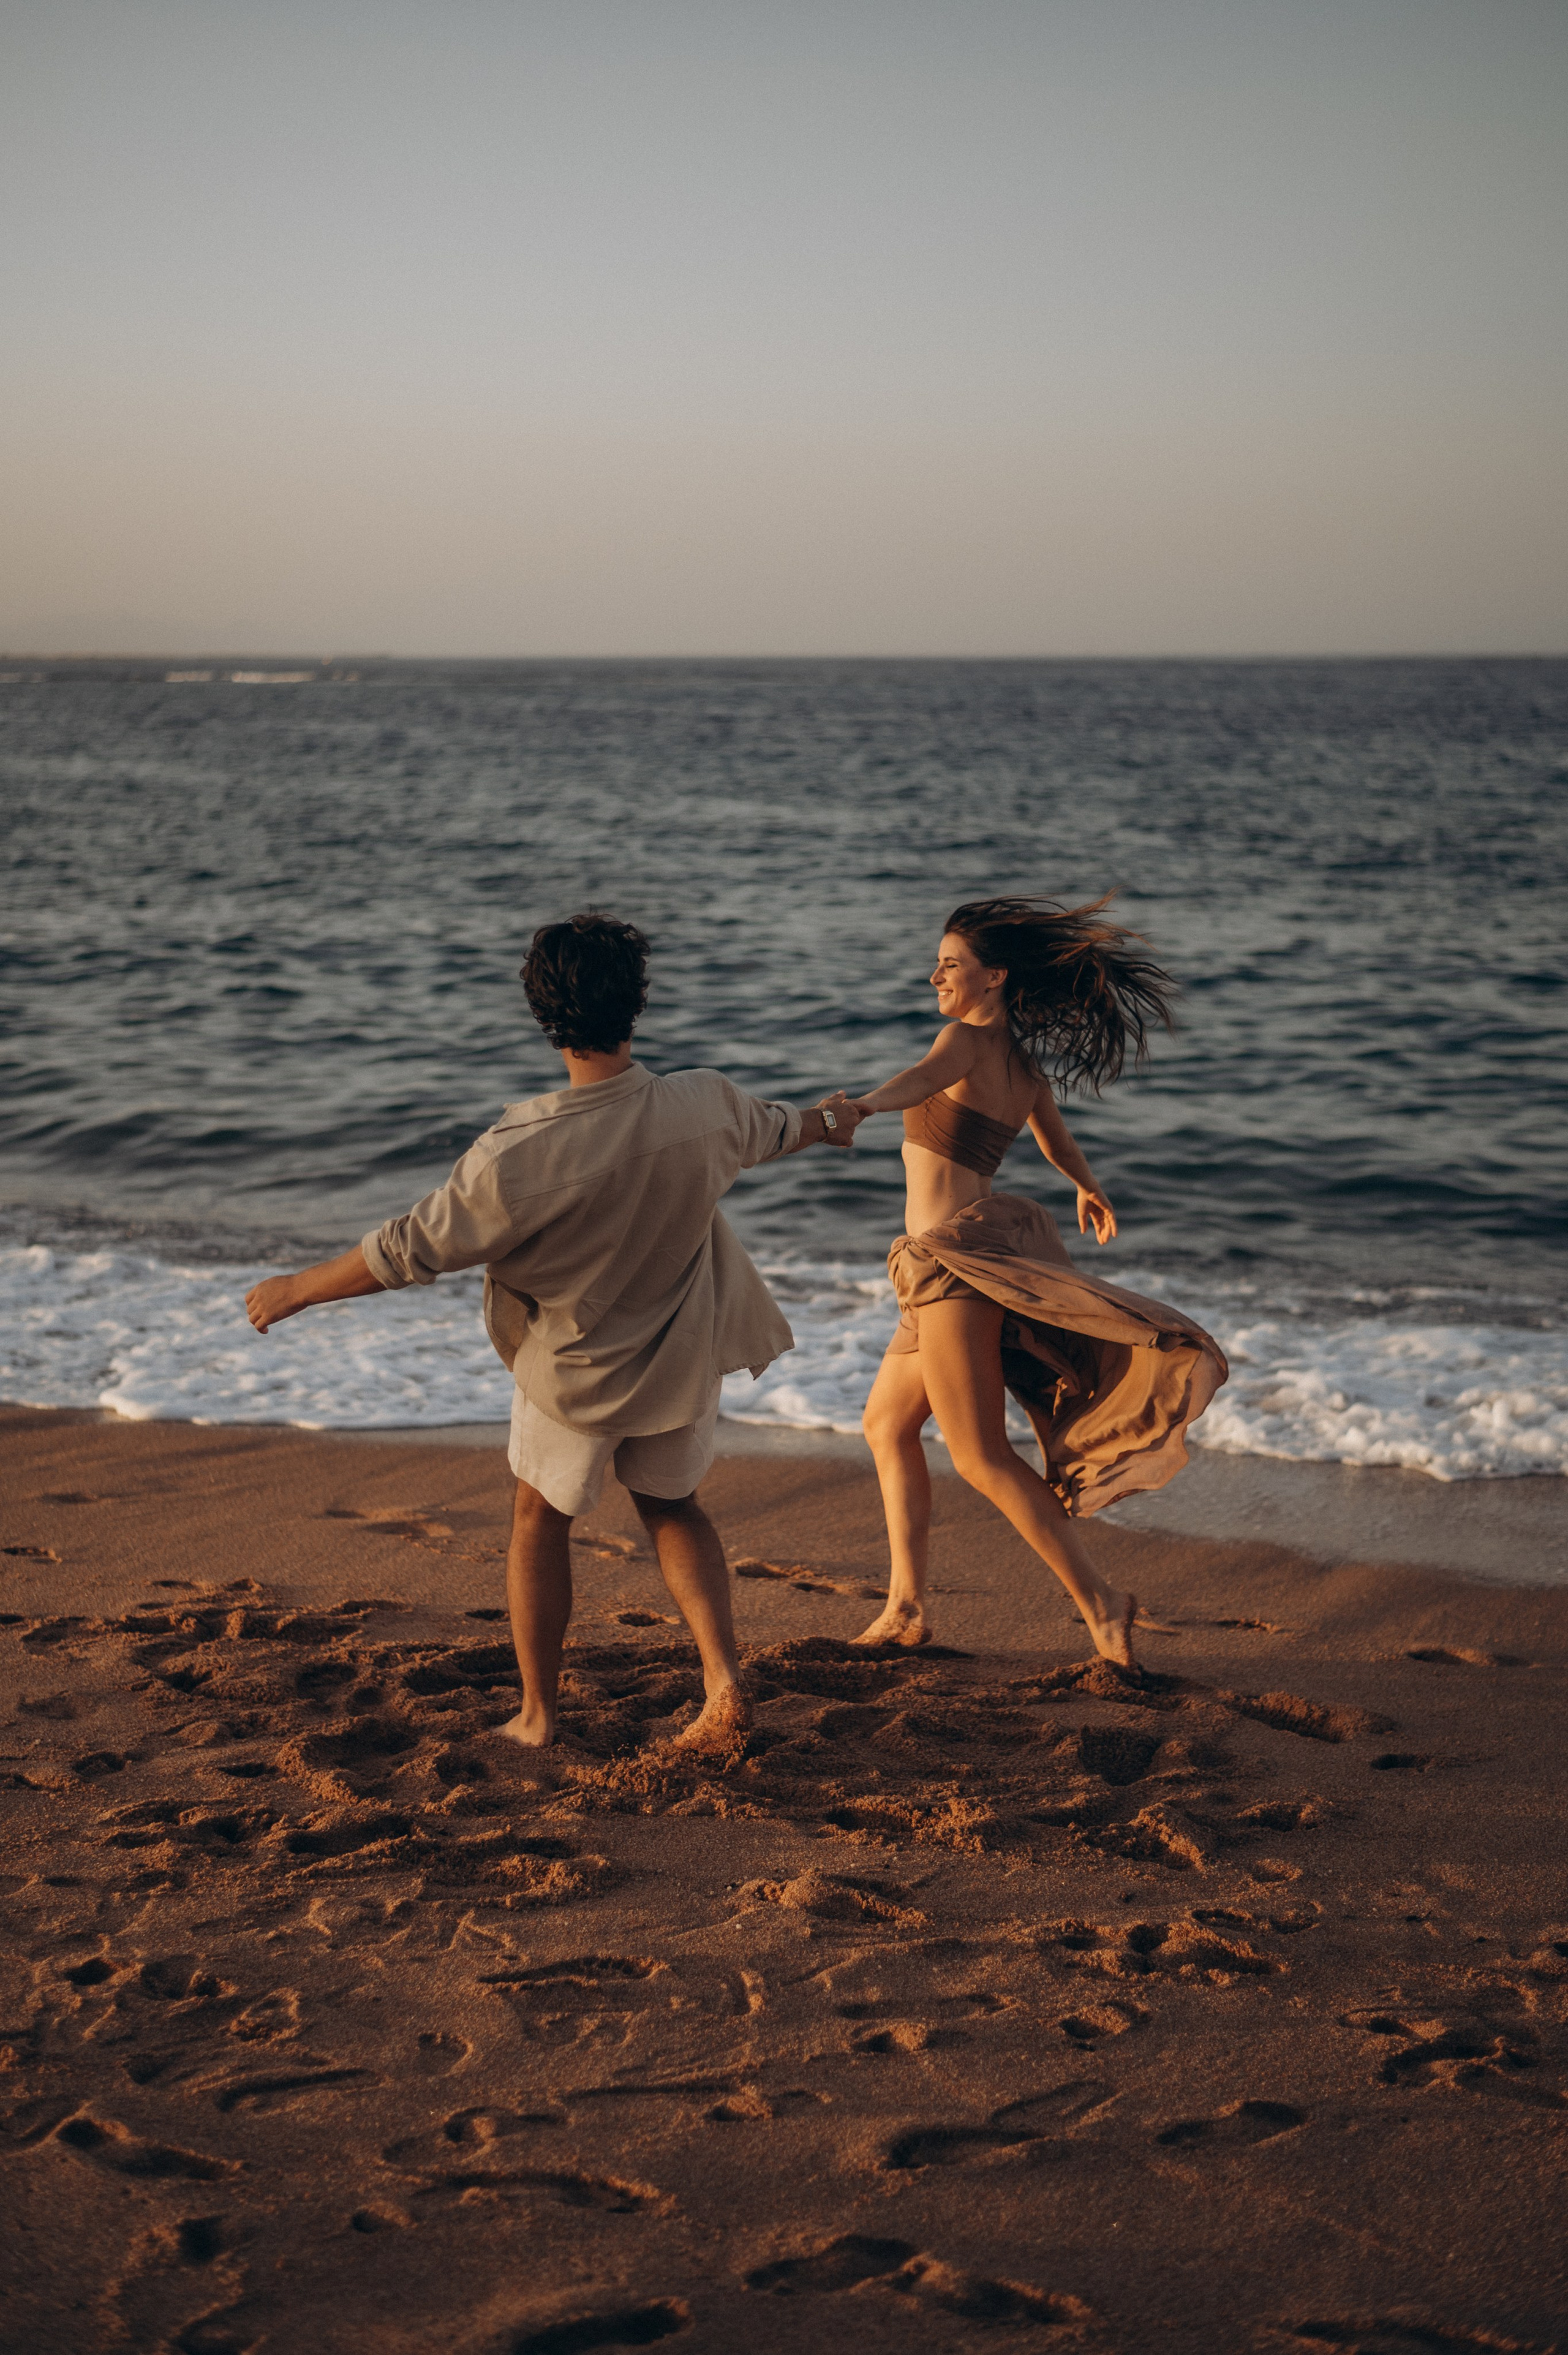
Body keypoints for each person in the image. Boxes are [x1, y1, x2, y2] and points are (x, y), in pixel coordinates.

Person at [245, 912, 862, 1751]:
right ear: (636, 1005)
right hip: (681, 1354)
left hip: (574, 1370)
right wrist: (835, 1120)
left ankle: (538, 1716)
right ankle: (722, 1682)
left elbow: (410, 1249)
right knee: (673, 1505)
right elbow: (786, 1128)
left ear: (544, 1013)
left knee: (538, 1518)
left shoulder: (518, 1151)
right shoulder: (705, 1104)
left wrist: (297, 1289)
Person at [832, 896, 1226, 1673]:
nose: (935, 974)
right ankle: (906, 1607)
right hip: (937, 1265)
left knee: (980, 1456)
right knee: (885, 1426)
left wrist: (859, 1107)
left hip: (955, 1267)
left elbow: (919, 1079)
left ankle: (1100, 1603)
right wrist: (1086, 1186)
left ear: (994, 976)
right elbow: (1055, 1137)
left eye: (950, 963)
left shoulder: (965, 1041)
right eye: (938, 962)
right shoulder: (1020, 1065)